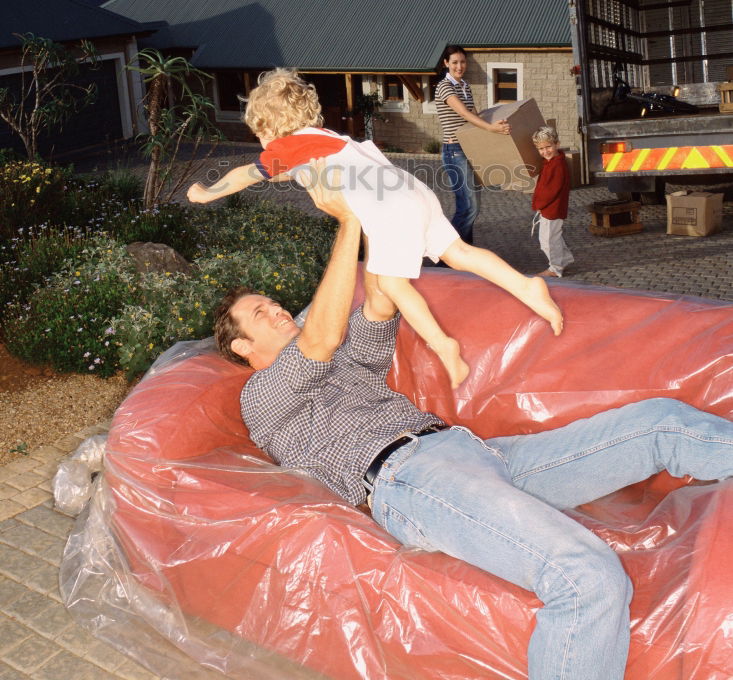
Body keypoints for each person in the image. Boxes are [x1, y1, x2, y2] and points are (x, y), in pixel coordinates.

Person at [214, 164, 733, 680]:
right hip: (410, 480)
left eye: (276, 303)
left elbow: (377, 298)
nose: (279, 310)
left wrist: (375, 213)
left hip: (479, 452)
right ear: (242, 347)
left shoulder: (346, 357)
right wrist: (346, 223)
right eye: (261, 314)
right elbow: (317, 342)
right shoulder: (262, 397)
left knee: (660, 424)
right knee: (586, 577)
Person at [190, 69, 563, 388]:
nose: (261, 145)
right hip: (410, 190)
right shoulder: (326, 139)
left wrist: (207, 192)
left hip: (389, 208)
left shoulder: (288, 147)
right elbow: (284, 174)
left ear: (270, 128)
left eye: (259, 135)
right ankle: (527, 285)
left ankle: (443, 345)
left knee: (392, 284)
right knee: (459, 252)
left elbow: (247, 174)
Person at [434, 45, 509, 245]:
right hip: (454, 151)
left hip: (469, 149)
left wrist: (496, 125)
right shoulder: (444, 86)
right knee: (468, 207)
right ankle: (448, 255)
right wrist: (491, 129)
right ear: (446, 63)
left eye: (463, 62)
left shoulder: (465, 86)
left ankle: (464, 253)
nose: (460, 66)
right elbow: (464, 114)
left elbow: (474, 116)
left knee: (472, 207)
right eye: (455, 62)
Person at [531, 125, 574, 278]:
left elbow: (551, 190)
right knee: (554, 236)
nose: (545, 151)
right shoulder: (551, 162)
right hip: (551, 208)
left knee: (548, 240)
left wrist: (538, 204)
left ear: (557, 144)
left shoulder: (556, 165)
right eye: (541, 149)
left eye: (548, 147)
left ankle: (555, 268)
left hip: (552, 209)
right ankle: (565, 259)